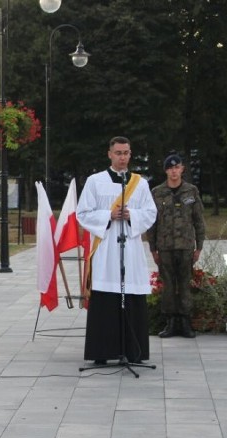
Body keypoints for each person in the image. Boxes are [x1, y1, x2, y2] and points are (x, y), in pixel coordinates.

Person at [76, 136, 158, 364]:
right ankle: (102, 352)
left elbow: (151, 213)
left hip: (129, 248)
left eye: (126, 153)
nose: (123, 157)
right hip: (105, 247)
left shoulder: (140, 183)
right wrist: (108, 215)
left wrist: (133, 216)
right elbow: (82, 213)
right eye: (118, 153)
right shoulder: (95, 181)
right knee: (105, 297)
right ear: (110, 154)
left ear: (130, 155)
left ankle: (133, 350)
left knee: (131, 294)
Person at [147, 153, 206, 339]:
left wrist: (199, 247)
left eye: (177, 167)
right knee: (168, 286)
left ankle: (186, 322)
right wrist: (153, 249)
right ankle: (171, 322)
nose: (174, 171)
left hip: (186, 246)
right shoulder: (157, 192)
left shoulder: (191, 191)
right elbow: (152, 223)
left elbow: (199, 220)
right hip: (165, 247)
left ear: (182, 169)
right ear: (166, 171)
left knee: (184, 284)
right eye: (170, 168)